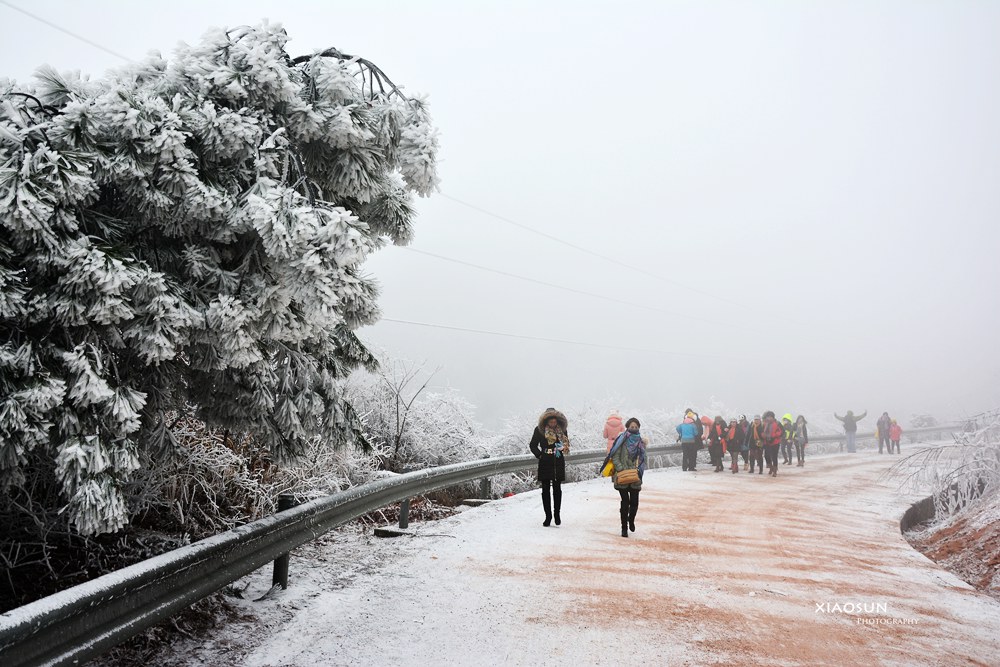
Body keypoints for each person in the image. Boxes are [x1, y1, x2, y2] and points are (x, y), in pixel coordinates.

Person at [601, 417, 647, 538]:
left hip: (635, 475)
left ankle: (631, 520)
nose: (634, 428)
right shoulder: (622, 439)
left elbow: (643, 458)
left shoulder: (640, 442)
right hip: (622, 475)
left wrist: (638, 470)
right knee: (625, 502)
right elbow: (615, 456)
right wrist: (621, 468)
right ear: (627, 427)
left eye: (636, 427)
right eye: (632, 427)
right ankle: (624, 527)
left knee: (635, 503)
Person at [529, 408, 570, 526]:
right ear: (546, 421)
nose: (553, 424)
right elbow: (532, 445)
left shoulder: (562, 430)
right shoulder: (539, 430)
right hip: (545, 461)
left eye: (554, 422)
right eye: (551, 422)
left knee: (557, 489)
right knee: (545, 490)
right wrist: (539, 455)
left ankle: (557, 514)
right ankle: (548, 516)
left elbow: (567, 445)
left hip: (558, 460)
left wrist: (564, 448)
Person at [762, 411, 783, 477]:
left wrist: (774, 436)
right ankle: (770, 466)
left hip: (775, 442)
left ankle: (774, 470)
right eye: (768, 416)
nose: (769, 418)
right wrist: (763, 435)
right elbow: (762, 431)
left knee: (774, 456)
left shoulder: (777, 423)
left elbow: (781, 432)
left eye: (770, 417)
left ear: (773, 417)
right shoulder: (765, 423)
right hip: (766, 442)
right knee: (766, 455)